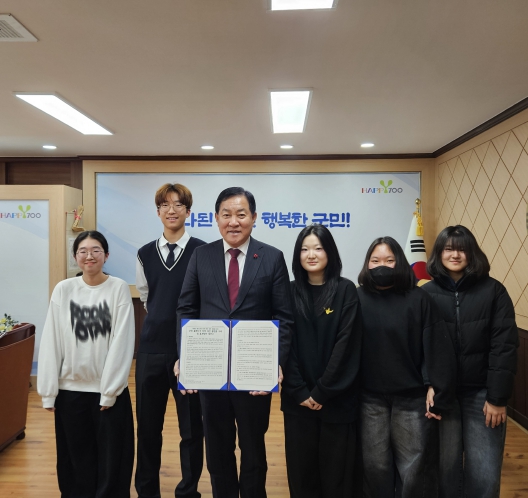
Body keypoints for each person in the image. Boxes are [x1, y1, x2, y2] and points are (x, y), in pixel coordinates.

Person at [175, 186, 294, 498]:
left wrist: (275, 363)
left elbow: (284, 316)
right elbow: (186, 308)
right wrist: (185, 356)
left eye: (241, 214)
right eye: (226, 214)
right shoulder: (201, 256)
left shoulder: (272, 257)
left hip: (254, 372)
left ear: (254, 217)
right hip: (210, 371)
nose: (233, 221)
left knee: (253, 448)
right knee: (217, 447)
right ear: (216, 218)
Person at [422, 225, 518, 498]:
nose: (455, 254)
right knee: (445, 471)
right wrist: (429, 383)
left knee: (484, 473)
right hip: (443, 394)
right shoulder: (425, 293)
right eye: (448, 249)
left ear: (472, 253)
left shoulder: (494, 291)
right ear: (439, 253)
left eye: (462, 249)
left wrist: (497, 397)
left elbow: (504, 346)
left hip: (483, 395)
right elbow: (420, 346)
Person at [37, 230, 135, 498]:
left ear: (106, 255)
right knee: (75, 458)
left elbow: (122, 341)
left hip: (108, 393)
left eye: (95, 250)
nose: (89, 256)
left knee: (112, 458)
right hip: (70, 392)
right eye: (82, 251)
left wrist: (109, 391)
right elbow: (52, 340)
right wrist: (49, 392)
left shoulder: (118, 288)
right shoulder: (64, 289)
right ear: (75, 256)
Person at [357, 236, 455, 498]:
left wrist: (434, 384)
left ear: (400, 262)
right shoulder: (356, 298)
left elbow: (434, 346)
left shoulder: (419, 298)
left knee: (413, 467)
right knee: (375, 465)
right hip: (369, 397)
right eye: (375, 260)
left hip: (411, 397)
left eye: (389, 260)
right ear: (367, 264)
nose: (382, 266)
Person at [135, 183, 206, 498]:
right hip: (150, 350)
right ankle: (147, 491)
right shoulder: (144, 253)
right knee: (148, 428)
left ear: (188, 211)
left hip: (189, 352)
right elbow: (146, 297)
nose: (171, 210)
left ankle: (188, 491)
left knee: (191, 430)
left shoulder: (203, 252)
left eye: (178, 205)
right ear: (158, 211)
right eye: (165, 205)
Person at [281, 224, 362, 498]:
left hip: (337, 400)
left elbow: (346, 345)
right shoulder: (288, 291)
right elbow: (285, 345)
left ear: (330, 252)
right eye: (304, 249)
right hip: (297, 402)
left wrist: (322, 391)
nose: (311, 254)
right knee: (302, 476)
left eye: (318, 248)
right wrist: (299, 390)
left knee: (336, 477)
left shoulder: (346, 290)